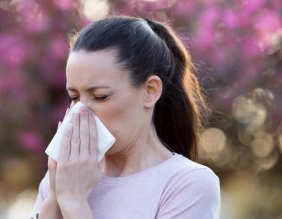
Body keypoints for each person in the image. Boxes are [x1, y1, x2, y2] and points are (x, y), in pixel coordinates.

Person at [30, 16, 220, 219]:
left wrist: (75, 204)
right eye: (74, 97)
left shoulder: (188, 184)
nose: (80, 112)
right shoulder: (66, 176)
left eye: (100, 96)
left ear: (150, 91)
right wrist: (55, 197)